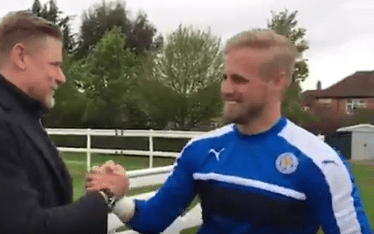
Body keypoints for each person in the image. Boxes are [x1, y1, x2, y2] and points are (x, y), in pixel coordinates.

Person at [87, 29, 373, 233]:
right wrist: (114, 197)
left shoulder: (321, 163)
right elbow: (155, 219)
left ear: (278, 81)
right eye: (224, 77)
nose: (226, 89)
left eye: (239, 80)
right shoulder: (199, 151)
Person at [0, 10, 129, 234]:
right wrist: (104, 197)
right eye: (55, 64)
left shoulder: (20, 116)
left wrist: (97, 187)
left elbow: (50, 208)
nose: (61, 77)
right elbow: (27, 227)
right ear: (21, 57)